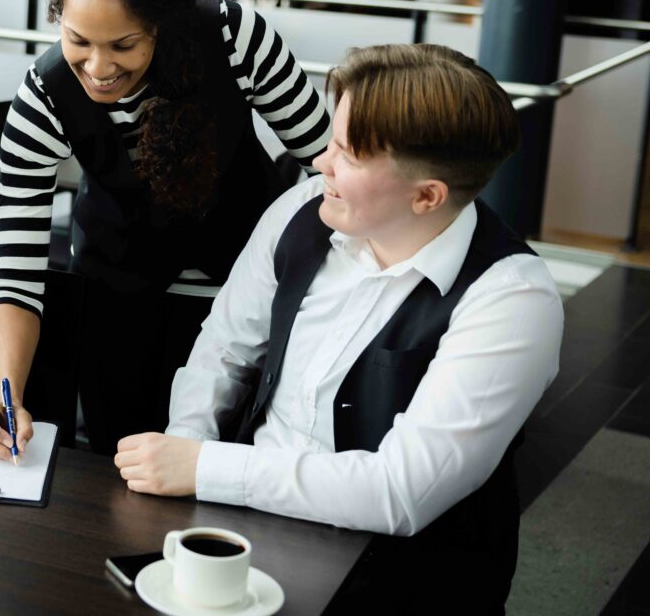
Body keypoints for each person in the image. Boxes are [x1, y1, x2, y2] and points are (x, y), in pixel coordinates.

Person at [113, 43, 563, 612]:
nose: (322, 163)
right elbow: (223, 352)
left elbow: (400, 492)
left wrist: (206, 469)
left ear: (427, 196)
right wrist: (186, 451)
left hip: (404, 583)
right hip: (247, 528)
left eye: (347, 155)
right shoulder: (304, 208)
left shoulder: (513, 300)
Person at [0, 0, 332, 457]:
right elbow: (17, 275)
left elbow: (329, 166)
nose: (98, 67)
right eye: (78, 40)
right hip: (117, 304)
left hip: (245, 299)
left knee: (232, 466)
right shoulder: (44, 95)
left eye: (123, 45)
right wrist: (6, 394)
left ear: (161, 21)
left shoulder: (234, 37)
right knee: (121, 463)